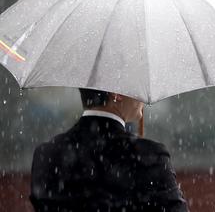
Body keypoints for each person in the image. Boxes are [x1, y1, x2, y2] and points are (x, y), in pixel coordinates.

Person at [30, 88, 188, 212]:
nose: (141, 94)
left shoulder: (46, 154)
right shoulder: (149, 155)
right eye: (136, 84)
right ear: (117, 94)